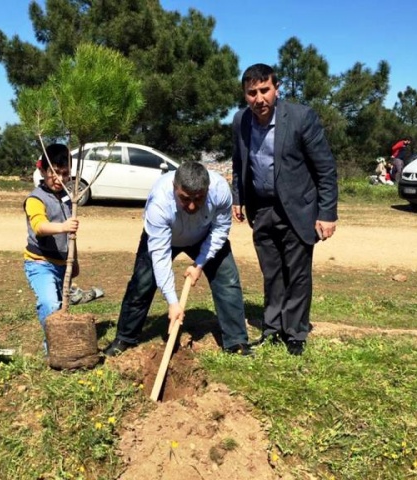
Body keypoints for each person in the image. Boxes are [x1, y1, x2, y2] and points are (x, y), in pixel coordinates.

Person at [231, 63, 338, 356]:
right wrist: (238, 197)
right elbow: (239, 163)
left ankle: (295, 332)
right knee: (272, 272)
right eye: (252, 93)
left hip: (298, 209)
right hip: (262, 209)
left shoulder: (301, 118)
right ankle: (272, 328)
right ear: (245, 95)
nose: (259, 98)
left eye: (264, 90)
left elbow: (325, 169)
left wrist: (327, 213)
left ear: (277, 88)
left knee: (297, 273)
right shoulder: (240, 121)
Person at [103, 161, 252, 357]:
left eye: (198, 199)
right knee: (142, 283)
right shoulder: (159, 203)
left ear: (207, 190)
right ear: (175, 188)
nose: (191, 205)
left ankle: (236, 341)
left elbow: (220, 230)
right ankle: (125, 337)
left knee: (227, 279)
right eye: (184, 198)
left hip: (205, 236)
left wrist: (199, 263)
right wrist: (173, 303)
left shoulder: (221, 190)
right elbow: (160, 256)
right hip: (166, 238)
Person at [24, 143, 80, 350]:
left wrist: (74, 261)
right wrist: (63, 227)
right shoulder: (35, 199)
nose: (60, 179)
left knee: (61, 306)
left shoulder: (67, 198)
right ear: (42, 170)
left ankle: (63, 343)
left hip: (62, 264)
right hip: (40, 263)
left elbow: (71, 236)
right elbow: (39, 226)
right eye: (54, 173)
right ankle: (53, 348)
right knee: (50, 304)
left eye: (65, 174)